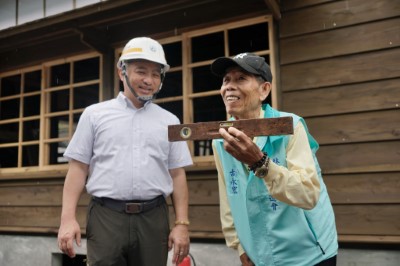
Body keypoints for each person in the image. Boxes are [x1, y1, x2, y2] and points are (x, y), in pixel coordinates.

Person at [57, 37, 193, 266]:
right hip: (106, 216)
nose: (149, 80)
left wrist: (181, 224)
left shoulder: (170, 121)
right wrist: (67, 219)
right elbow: (78, 169)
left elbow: (177, 175)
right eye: (141, 71)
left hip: (154, 217)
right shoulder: (94, 115)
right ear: (122, 72)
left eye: (156, 74)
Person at [210, 53, 338, 266]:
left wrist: (260, 163)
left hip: (310, 253)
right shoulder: (220, 139)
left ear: (264, 90)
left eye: (241, 78)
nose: (229, 86)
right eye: (226, 80)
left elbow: (308, 194)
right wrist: (240, 246)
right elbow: (228, 197)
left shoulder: (290, 126)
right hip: (261, 256)